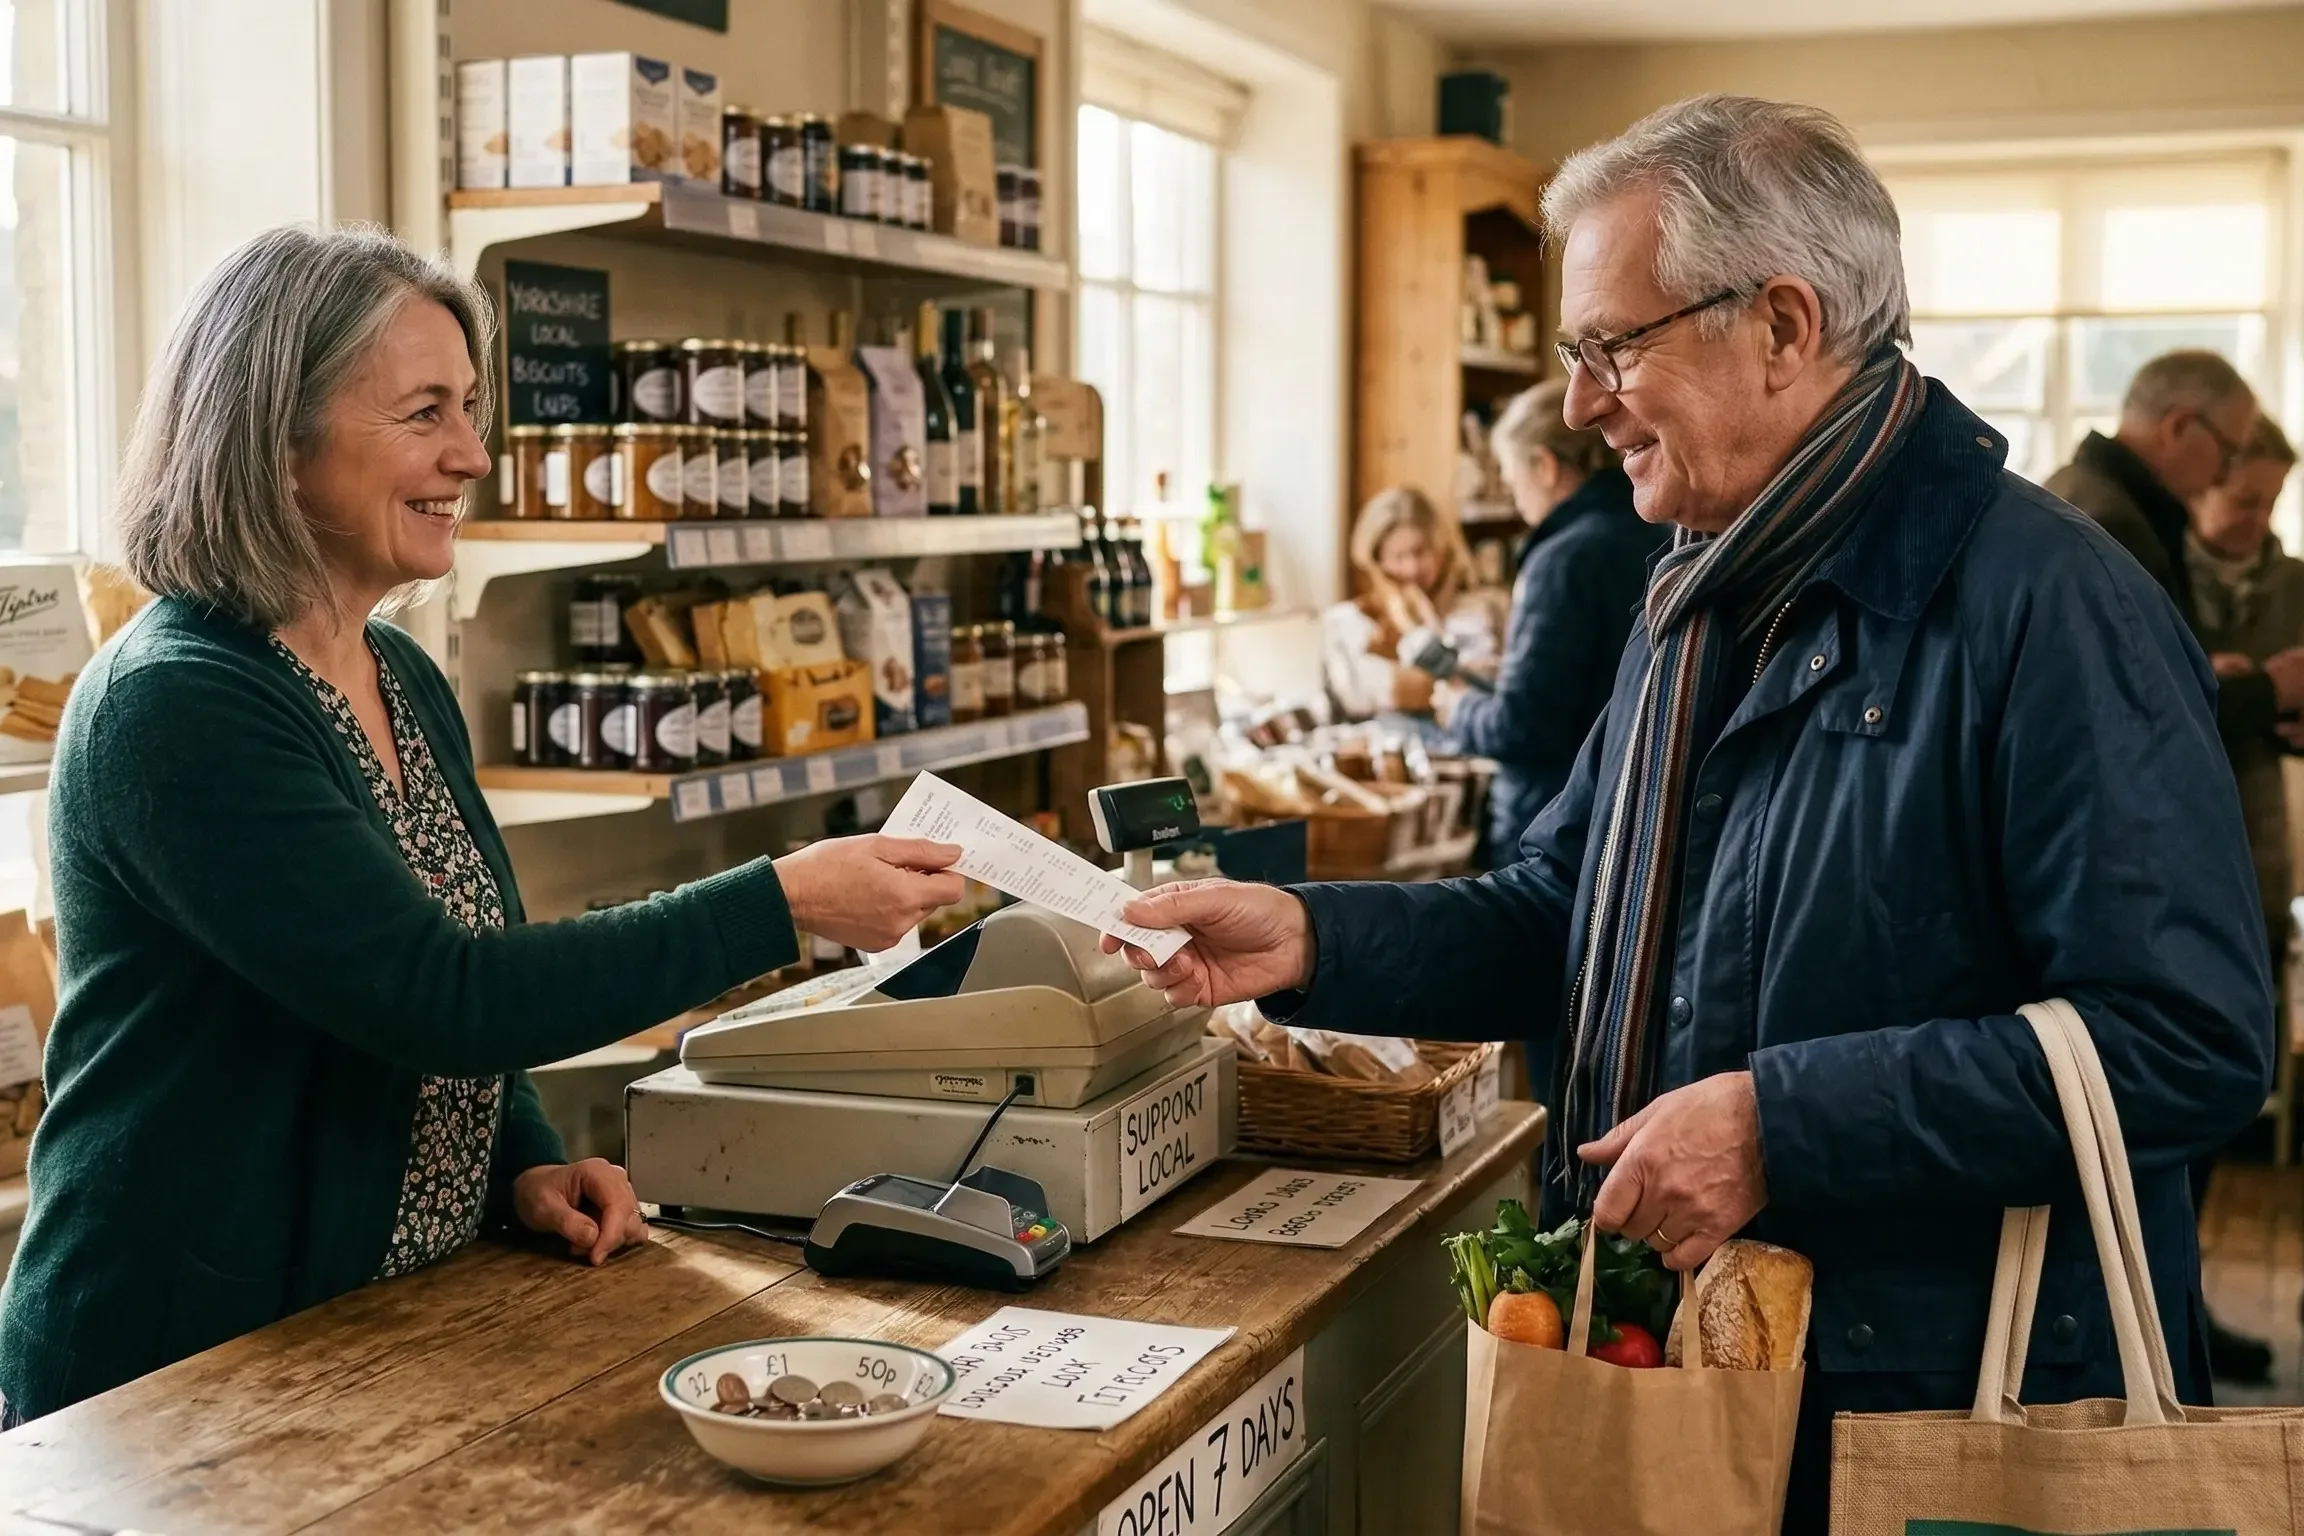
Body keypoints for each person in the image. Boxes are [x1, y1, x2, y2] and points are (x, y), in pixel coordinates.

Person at [1106, 96, 2271, 1532]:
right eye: (1573, 357)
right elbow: (1558, 910)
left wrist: (1786, 1124)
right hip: (1695, 1365)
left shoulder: (2054, 607)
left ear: (1783, 324)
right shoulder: (1695, 599)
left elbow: (2189, 1039)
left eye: (1613, 345)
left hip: (1922, 1407)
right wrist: (1302, 932)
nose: (1586, 404)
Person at [0, 226, 965, 1425]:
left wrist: (523, 1165)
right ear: (277, 443)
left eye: (470, 406)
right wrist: (782, 901)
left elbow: (456, 977)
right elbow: (436, 994)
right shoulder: (178, 701)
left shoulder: (396, 671)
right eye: (422, 413)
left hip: (376, 1331)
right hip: (175, 1364)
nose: (472, 452)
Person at [2047, 355, 2298, 1384]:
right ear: (2186, 429)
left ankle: (2168, 1323)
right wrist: (2245, 691)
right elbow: (2138, 713)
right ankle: (2152, 1342)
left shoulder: (2105, 511)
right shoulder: (2102, 520)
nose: (2230, 481)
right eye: (2233, 456)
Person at [1437, 378, 1664, 855]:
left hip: (1552, 819)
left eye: (1509, 473)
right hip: (1628, 809)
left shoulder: (1562, 559)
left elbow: (1523, 726)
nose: (1511, 492)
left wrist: (1458, 709)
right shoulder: (1656, 528)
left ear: (1543, 465)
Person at [1320, 486, 1500, 730]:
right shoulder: (1350, 621)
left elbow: (1492, 695)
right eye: (1399, 557)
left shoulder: (1481, 613)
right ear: (1377, 561)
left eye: (1420, 552)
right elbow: (1362, 699)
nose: (1412, 568)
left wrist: (1428, 627)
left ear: (1440, 547)